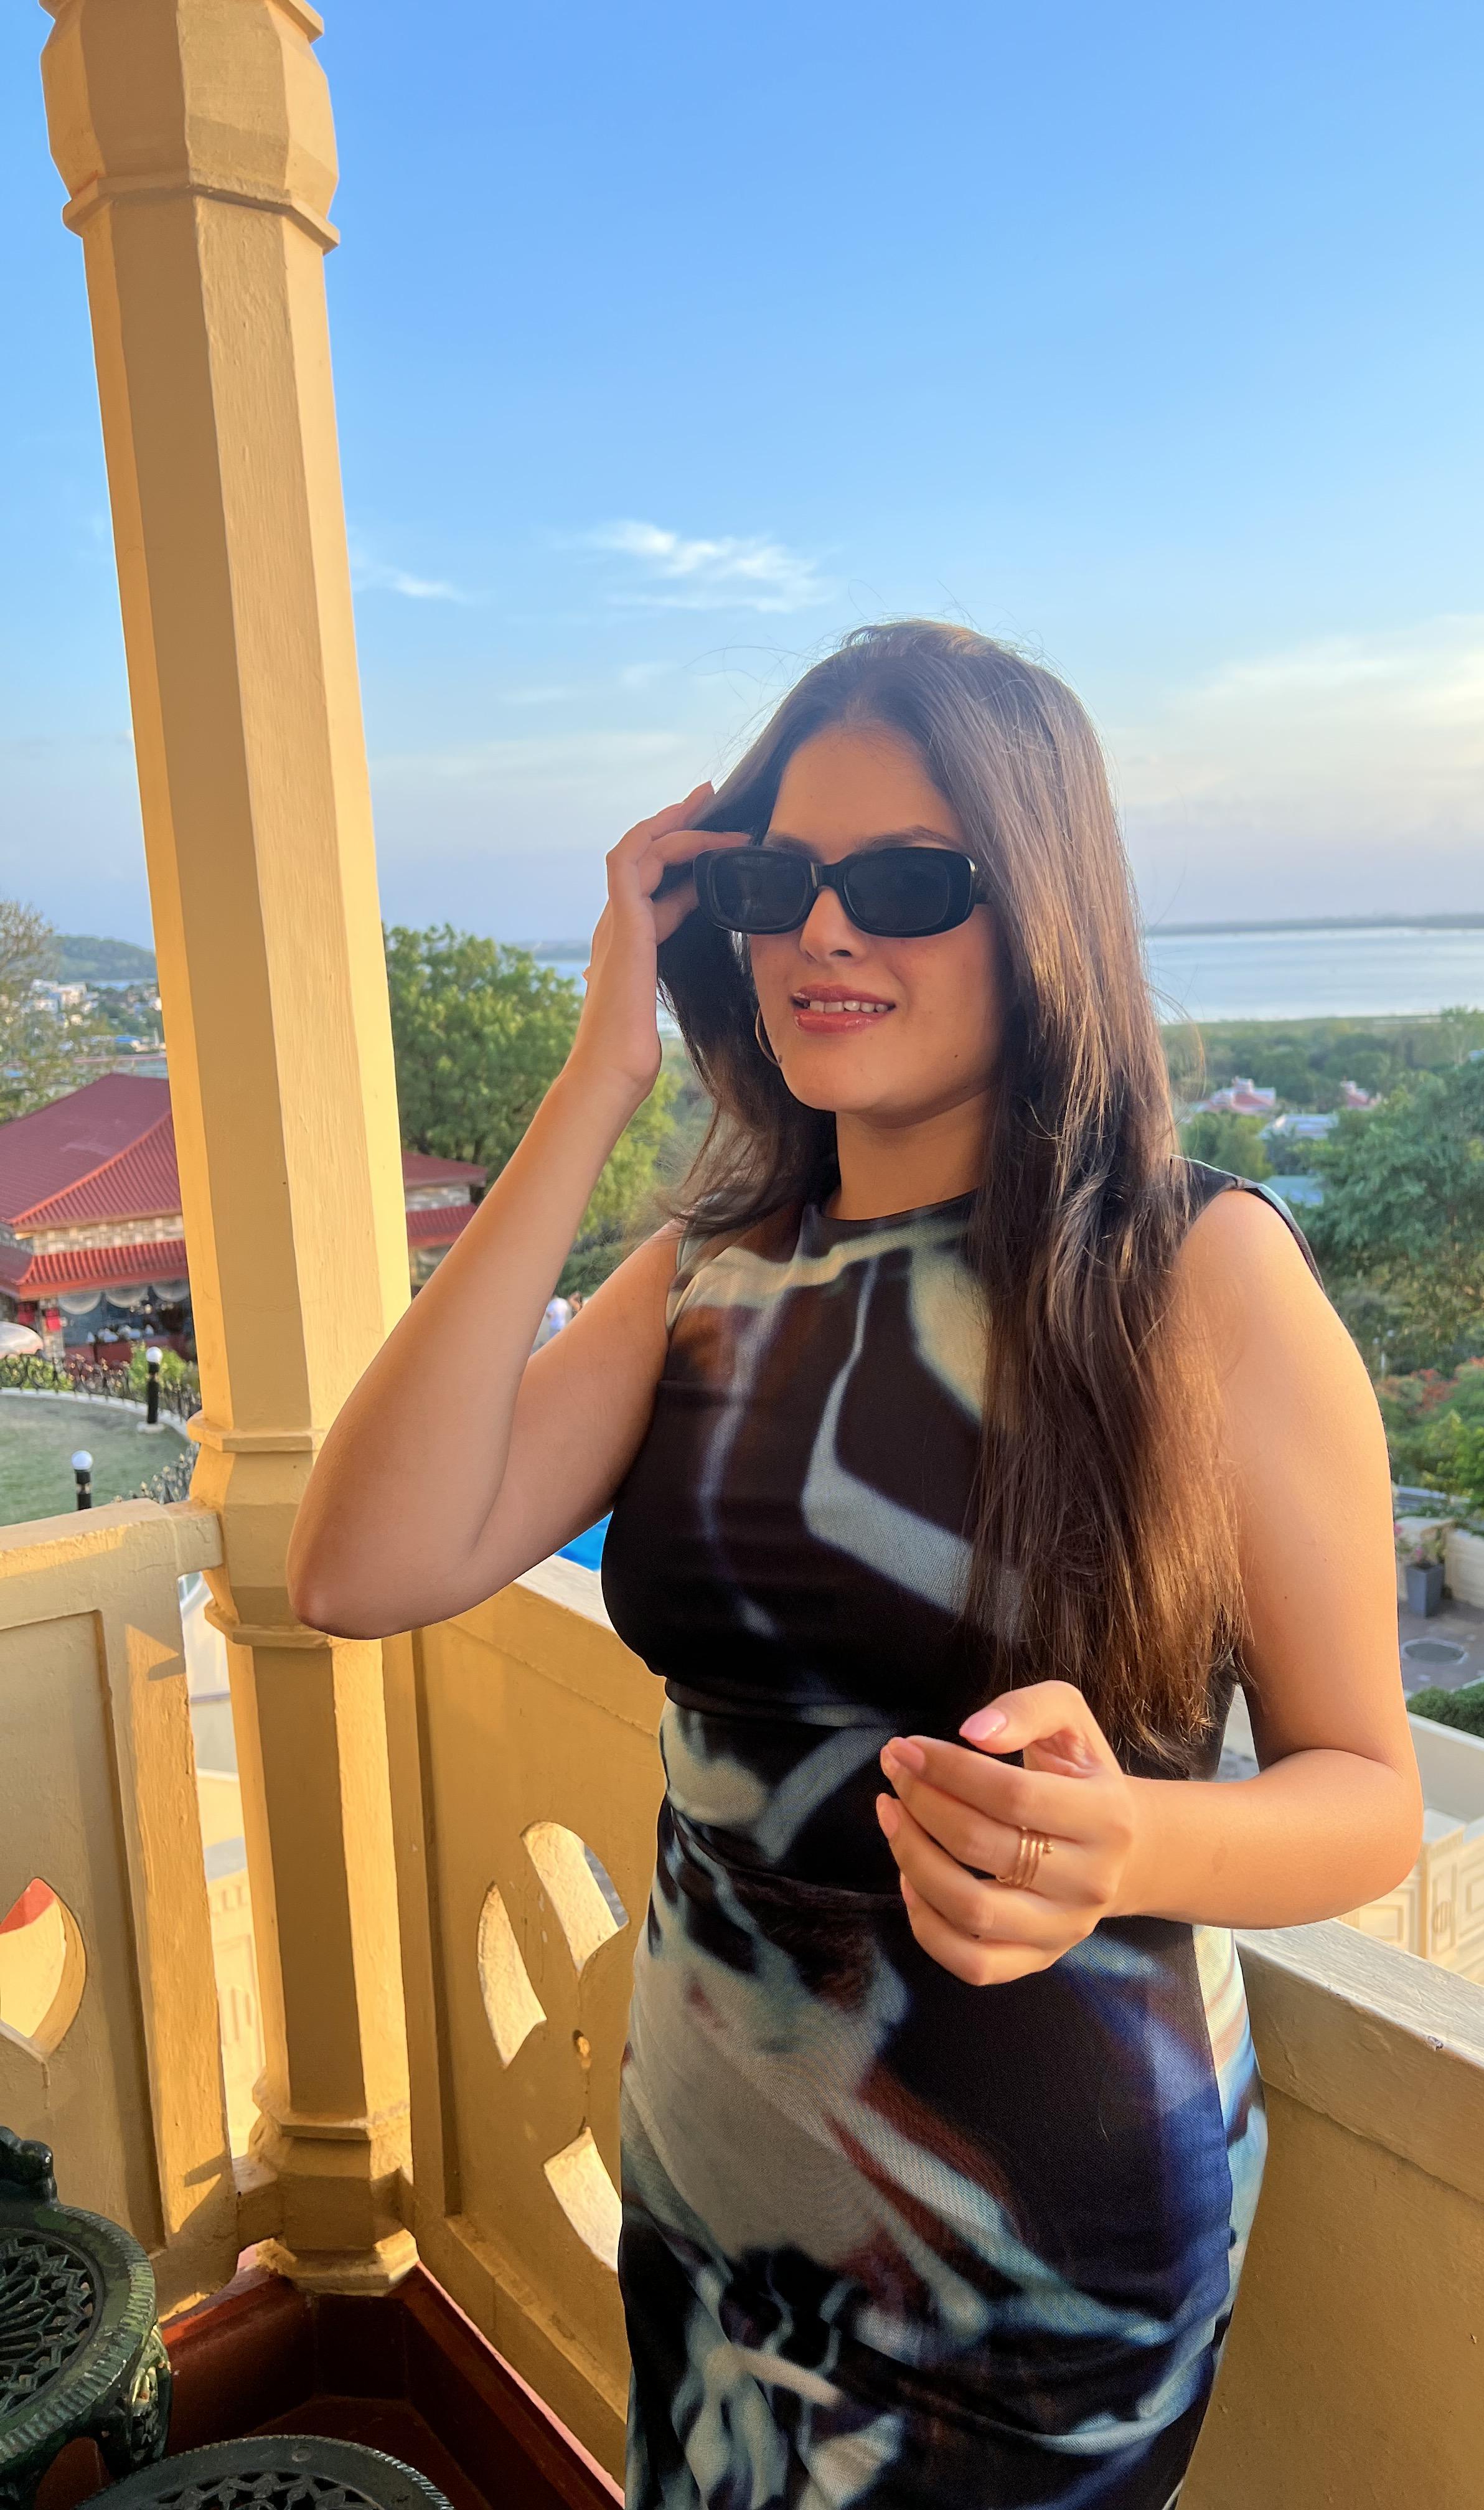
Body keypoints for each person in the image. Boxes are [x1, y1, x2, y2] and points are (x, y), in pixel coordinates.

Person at [288, 621, 1420, 2509]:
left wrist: (1125, 1847)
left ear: (1041, 914)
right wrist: (597, 1078)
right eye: (774, 883)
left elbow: (1368, 1791)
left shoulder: (1193, 1275)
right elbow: (360, 1564)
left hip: (1026, 2283)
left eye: (903, 883)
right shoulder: (711, 1273)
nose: (823, 931)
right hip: (706, 2191)